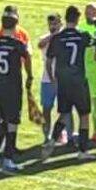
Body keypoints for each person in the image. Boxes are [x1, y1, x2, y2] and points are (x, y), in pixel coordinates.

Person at [0, 10, 34, 174]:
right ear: (15, 25)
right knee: (12, 122)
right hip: (12, 87)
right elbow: (27, 58)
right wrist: (29, 75)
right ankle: (8, 158)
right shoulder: (17, 43)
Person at [43, 5, 95, 161]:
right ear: (78, 19)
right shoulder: (82, 36)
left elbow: (49, 61)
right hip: (79, 80)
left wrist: (52, 78)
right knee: (84, 115)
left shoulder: (57, 38)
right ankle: (83, 151)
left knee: (64, 114)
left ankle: (52, 140)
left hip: (63, 81)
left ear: (65, 19)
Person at [79, 2, 96, 142]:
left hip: (95, 71)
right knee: (82, 104)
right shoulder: (80, 28)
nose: (90, 15)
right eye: (88, 12)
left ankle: (95, 132)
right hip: (82, 71)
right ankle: (82, 132)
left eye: (93, 12)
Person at [37, 13, 63, 143]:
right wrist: (53, 36)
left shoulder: (64, 38)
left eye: (55, 24)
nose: (53, 26)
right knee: (46, 109)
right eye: (51, 24)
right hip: (47, 79)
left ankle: (60, 133)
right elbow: (40, 45)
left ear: (60, 24)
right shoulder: (45, 38)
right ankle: (46, 136)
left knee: (65, 109)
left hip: (62, 78)